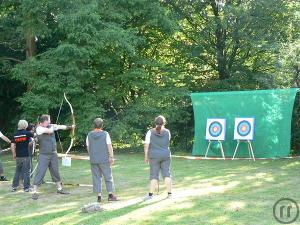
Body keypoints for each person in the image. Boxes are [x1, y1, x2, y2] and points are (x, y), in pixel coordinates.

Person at [31, 114, 75, 200]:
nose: (50, 121)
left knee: (55, 171)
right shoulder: (39, 128)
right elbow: (50, 131)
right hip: (44, 154)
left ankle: (59, 189)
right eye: (49, 120)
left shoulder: (50, 126)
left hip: (53, 153)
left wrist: (70, 127)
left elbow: (61, 127)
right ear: (44, 121)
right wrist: (54, 127)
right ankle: (34, 192)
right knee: (40, 172)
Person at [86, 118, 118, 203]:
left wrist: (92, 155)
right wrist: (111, 157)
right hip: (104, 159)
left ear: (94, 125)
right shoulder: (105, 134)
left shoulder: (89, 134)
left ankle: (99, 197)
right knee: (108, 177)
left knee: (96, 178)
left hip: (94, 160)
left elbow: (88, 147)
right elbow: (109, 146)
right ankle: (110, 195)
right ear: (102, 125)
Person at [143, 115, 172, 200]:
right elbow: (167, 142)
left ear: (155, 122)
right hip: (166, 155)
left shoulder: (150, 132)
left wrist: (146, 156)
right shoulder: (167, 132)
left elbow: (146, 145)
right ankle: (169, 194)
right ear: (164, 123)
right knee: (167, 174)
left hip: (154, 156)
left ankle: (150, 195)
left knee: (154, 175)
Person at [11, 120, 34, 192]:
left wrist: (14, 154)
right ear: (25, 126)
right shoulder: (27, 133)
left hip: (18, 156)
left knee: (17, 171)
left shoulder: (15, 135)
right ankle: (26, 188)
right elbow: (35, 136)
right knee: (26, 172)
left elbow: (12, 145)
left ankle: (14, 187)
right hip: (25, 155)